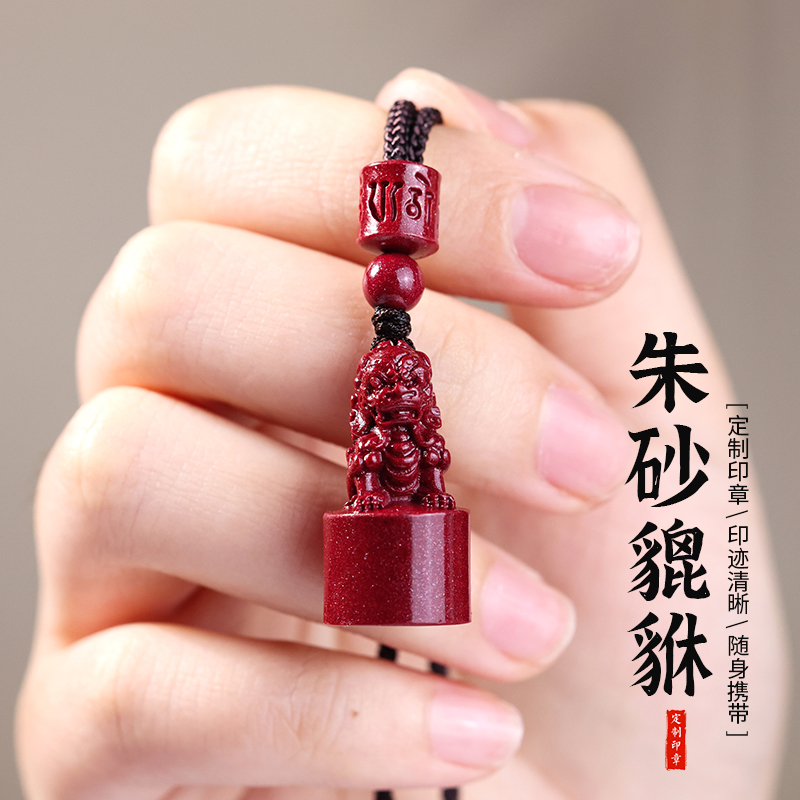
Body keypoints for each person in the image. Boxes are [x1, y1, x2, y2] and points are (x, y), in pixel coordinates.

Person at [15, 68, 788, 799]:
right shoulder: (386, 399)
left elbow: (424, 443)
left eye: (403, 396)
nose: (399, 405)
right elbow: (382, 439)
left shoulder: (411, 396)